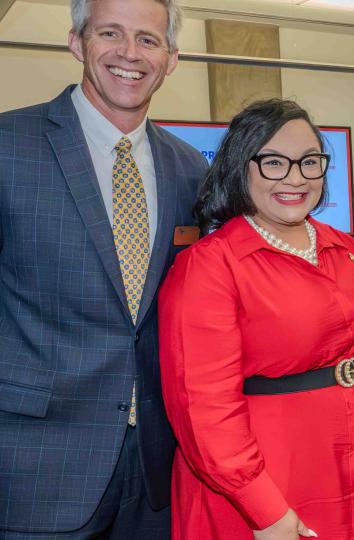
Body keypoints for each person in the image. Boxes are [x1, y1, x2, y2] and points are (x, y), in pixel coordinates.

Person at [0, 0, 206, 537]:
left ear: (171, 57)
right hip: (35, 463)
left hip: (157, 470)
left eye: (148, 39)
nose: (129, 53)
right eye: (110, 33)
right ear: (76, 42)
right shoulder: (8, 147)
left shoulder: (190, 168)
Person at [158, 99, 354, 540]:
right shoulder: (211, 266)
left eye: (309, 162)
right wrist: (263, 509)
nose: (295, 178)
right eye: (273, 162)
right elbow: (203, 408)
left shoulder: (345, 248)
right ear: (239, 167)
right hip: (268, 478)